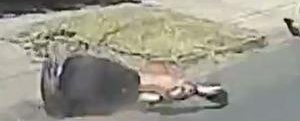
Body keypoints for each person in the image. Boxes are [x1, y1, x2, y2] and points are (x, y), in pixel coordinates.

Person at [40, 53, 226, 118]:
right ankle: (194, 89)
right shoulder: (126, 83)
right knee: (139, 89)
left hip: (79, 88)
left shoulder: (126, 84)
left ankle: (194, 89)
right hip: (79, 87)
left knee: (139, 90)